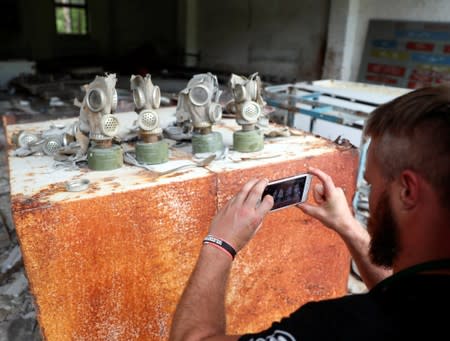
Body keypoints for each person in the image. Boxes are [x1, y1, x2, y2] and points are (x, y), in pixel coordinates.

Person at [169, 85, 450, 341]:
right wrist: (347, 225)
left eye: (371, 184)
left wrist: (220, 243)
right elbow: (401, 295)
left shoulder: (336, 328)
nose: (368, 194)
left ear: (408, 192)